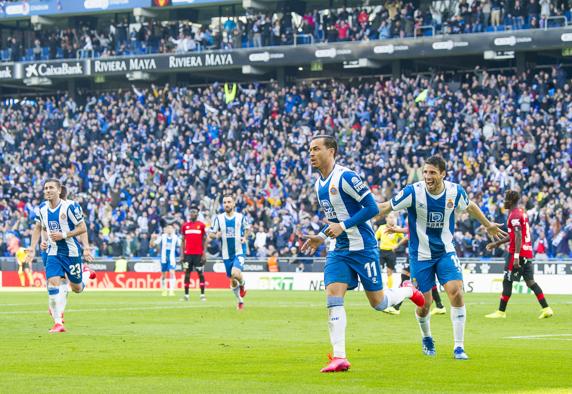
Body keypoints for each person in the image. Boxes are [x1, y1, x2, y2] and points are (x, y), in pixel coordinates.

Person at [301, 135, 425, 373]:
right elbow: (335, 220)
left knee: (378, 303)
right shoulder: (319, 184)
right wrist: (322, 235)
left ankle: (409, 290)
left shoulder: (346, 177)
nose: (311, 153)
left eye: (316, 149)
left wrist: (343, 227)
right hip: (339, 250)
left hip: (363, 248)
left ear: (332, 151)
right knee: (333, 296)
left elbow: (371, 208)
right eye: (310, 150)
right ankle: (339, 357)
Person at [377, 155, 506, 360]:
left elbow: (470, 206)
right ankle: (427, 337)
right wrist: (360, 217)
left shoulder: (454, 192)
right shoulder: (413, 192)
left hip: (445, 251)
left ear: (443, 174)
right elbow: (385, 207)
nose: (427, 177)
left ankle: (459, 347)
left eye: (432, 173)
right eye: (425, 172)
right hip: (420, 255)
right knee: (424, 304)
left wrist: (488, 224)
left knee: (456, 292)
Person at [25, 179, 95, 333]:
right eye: (45, 188)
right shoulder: (42, 208)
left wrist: (82, 246)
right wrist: (32, 248)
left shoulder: (70, 206)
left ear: (58, 190)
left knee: (77, 288)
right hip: (53, 252)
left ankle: (86, 273)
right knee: (52, 284)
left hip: (71, 253)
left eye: (51, 188)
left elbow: (82, 227)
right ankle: (58, 323)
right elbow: (39, 228)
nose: (47, 190)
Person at [485, 190, 554, 319]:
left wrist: (516, 256)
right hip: (527, 252)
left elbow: (518, 236)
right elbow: (514, 235)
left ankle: (501, 312)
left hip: (517, 253)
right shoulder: (521, 213)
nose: (504, 202)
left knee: (507, 281)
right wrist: (497, 243)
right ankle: (547, 308)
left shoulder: (514, 215)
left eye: (505, 199)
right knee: (530, 282)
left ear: (510, 201)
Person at [209, 194, 249, 309]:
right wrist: (216, 235)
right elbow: (211, 234)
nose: (227, 204)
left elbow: (247, 228)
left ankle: (243, 285)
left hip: (239, 250)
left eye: (229, 202)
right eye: (225, 202)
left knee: (235, 273)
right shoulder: (219, 218)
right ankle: (240, 301)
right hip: (226, 254)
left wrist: (245, 237)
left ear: (234, 203)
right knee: (232, 281)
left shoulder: (240, 217)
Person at [374, 212, 404, 313]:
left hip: (391, 252)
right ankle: (378, 289)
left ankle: (390, 290)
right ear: (386, 219)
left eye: (393, 218)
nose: (392, 219)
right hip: (382, 251)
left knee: (389, 272)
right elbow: (375, 237)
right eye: (390, 217)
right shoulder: (381, 228)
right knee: (377, 268)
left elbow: (405, 237)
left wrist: (397, 245)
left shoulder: (397, 228)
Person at [181, 204, 208, 301]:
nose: (192, 213)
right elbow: (182, 241)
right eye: (191, 212)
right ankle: (186, 295)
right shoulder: (185, 226)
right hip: (187, 255)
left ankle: (202, 295)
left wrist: (204, 254)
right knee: (187, 274)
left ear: (197, 214)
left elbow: (205, 240)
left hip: (198, 255)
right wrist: (182, 255)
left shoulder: (201, 226)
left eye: (195, 212)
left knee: (200, 274)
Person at [151, 224, 180, 296]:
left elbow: (182, 245)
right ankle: (164, 289)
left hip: (172, 258)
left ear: (173, 230)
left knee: (172, 272)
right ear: (166, 230)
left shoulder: (176, 237)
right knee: (164, 275)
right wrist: (152, 238)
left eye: (171, 228)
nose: (169, 230)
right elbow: (152, 245)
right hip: (163, 258)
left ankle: (171, 290)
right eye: (168, 228)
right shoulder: (162, 237)